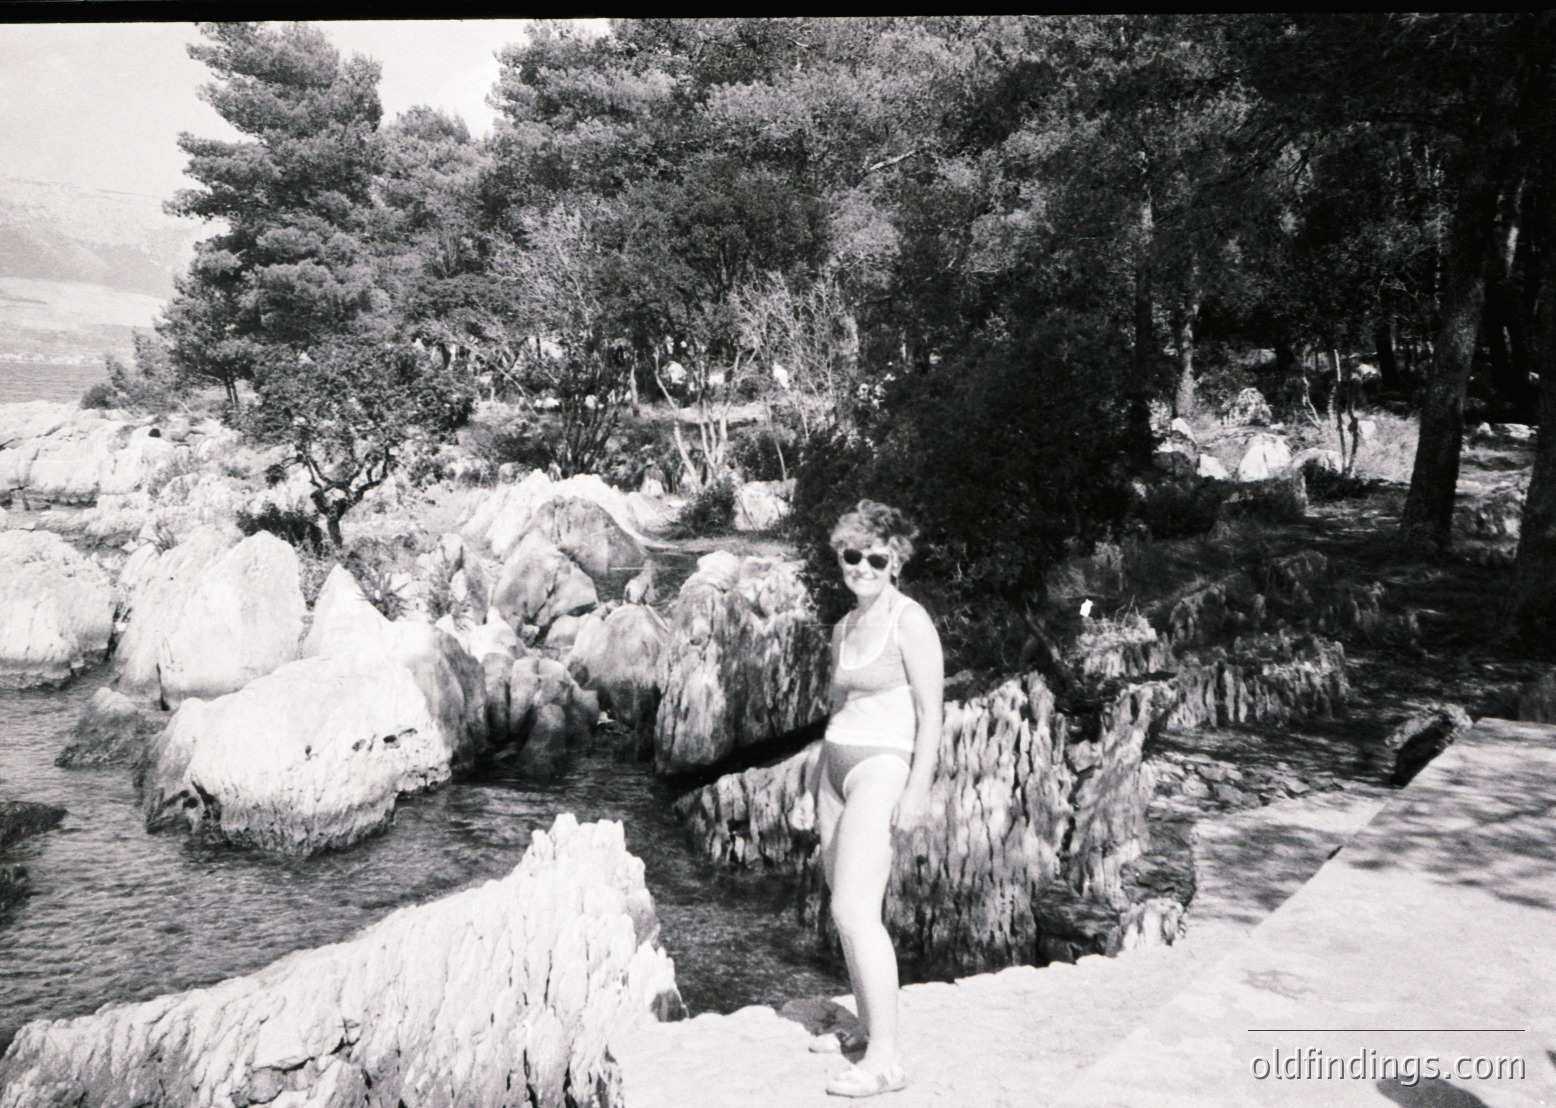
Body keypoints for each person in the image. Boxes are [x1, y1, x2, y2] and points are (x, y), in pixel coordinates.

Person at [810, 499, 944, 1098]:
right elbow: (837, 709)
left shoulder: (909, 620)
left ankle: (887, 1060)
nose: (861, 566)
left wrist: (918, 787)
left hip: (883, 768)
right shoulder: (842, 626)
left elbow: (930, 713)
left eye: (875, 558)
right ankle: (867, 1029)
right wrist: (814, 779)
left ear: (896, 564)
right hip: (835, 768)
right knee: (844, 901)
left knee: (855, 913)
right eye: (851, 555)